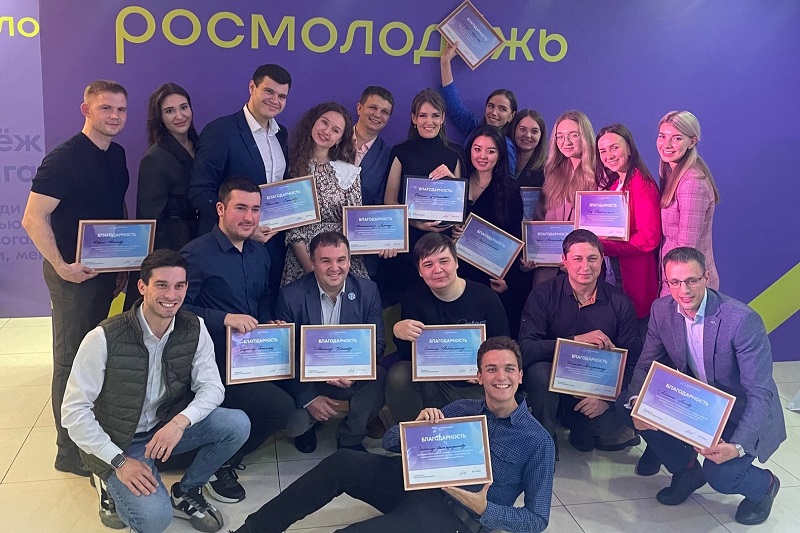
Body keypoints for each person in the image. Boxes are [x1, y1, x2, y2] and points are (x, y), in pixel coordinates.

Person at [232, 336, 555, 533]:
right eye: (491, 369)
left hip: (456, 516)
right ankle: (253, 530)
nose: (500, 377)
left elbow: (536, 520)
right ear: (478, 376)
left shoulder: (537, 441)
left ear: (520, 375)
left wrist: (484, 509)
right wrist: (416, 428)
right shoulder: (462, 409)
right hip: (417, 485)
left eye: (508, 369)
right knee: (343, 461)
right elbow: (388, 443)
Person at [60, 249, 250, 533]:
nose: (171, 295)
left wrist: (179, 423)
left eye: (179, 286)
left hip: (164, 429)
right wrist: (119, 461)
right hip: (120, 441)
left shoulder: (194, 327)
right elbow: (73, 412)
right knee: (154, 520)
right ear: (142, 286)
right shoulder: (103, 337)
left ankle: (187, 491)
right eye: (161, 285)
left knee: (237, 424)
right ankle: (106, 479)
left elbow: (212, 387)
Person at [622, 247, 785, 526]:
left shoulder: (741, 320)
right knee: (628, 406)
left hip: (739, 412)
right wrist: (637, 403)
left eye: (691, 280)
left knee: (722, 476)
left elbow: (760, 393)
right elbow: (647, 363)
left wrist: (737, 447)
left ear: (706, 277)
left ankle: (765, 486)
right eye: (675, 282)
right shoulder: (661, 310)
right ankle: (686, 471)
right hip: (697, 404)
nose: (683, 290)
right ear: (666, 282)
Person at [22, 80, 130, 477]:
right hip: (71, 278)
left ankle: (89, 434)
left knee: (94, 357)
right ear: (86, 110)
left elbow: (115, 208)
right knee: (70, 361)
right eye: (106, 108)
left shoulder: (116, 154)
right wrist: (61, 265)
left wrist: (121, 264)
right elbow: (33, 218)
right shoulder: (63, 158)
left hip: (103, 274)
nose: (115, 116)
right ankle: (67, 453)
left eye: (121, 109)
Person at [181, 178, 298, 503]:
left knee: (303, 381)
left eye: (255, 210)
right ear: (220, 209)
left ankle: (227, 448)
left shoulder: (260, 253)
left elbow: (264, 298)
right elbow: (178, 310)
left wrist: (268, 323)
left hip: (254, 354)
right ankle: (219, 462)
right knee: (280, 407)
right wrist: (224, 319)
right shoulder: (195, 254)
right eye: (241, 208)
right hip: (212, 360)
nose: (249, 217)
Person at [518, 229, 642, 453]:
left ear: (602, 260)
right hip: (553, 381)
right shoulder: (542, 294)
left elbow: (633, 362)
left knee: (602, 431)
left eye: (592, 258)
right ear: (564, 261)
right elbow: (525, 349)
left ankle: (579, 425)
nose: (585, 267)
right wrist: (575, 341)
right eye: (577, 259)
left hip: (595, 388)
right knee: (538, 373)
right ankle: (545, 441)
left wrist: (607, 400)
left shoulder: (621, 303)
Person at [274, 231, 386, 453]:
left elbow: (378, 343)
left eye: (341, 260)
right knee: (295, 425)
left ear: (349, 261)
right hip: (309, 380)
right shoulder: (290, 296)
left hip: (351, 376)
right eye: (325, 261)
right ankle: (309, 424)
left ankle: (351, 436)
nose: (334, 268)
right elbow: (284, 356)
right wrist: (309, 398)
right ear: (312, 262)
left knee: (380, 376)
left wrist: (354, 372)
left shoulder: (368, 290)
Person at [188, 64, 292, 296]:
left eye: (282, 96)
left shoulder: (281, 134)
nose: (275, 100)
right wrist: (242, 229)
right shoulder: (220, 131)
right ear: (252, 87)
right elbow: (200, 191)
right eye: (269, 91)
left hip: (271, 246)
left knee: (265, 309)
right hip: (229, 248)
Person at [387, 233, 509, 423]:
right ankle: (412, 436)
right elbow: (409, 355)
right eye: (428, 264)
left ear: (456, 263)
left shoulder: (485, 297)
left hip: (475, 383)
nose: (437, 270)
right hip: (434, 382)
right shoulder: (413, 297)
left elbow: (505, 347)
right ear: (419, 271)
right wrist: (398, 332)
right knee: (399, 374)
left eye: (444, 261)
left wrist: (485, 370)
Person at [123, 82, 200, 311]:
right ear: (160, 118)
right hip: (173, 244)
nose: (179, 116)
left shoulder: (200, 146)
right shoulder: (155, 158)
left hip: (200, 236)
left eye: (184, 107)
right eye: (169, 111)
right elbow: (151, 219)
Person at [382, 89, 464, 297]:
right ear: (414, 118)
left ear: (443, 118)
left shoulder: (455, 153)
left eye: (435, 115)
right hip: (409, 241)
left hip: (444, 242)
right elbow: (390, 201)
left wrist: (452, 181)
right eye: (423, 115)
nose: (429, 122)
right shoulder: (400, 151)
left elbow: (460, 207)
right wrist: (415, 223)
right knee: (408, 298)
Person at [281, 102, 369, 285]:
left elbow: (356, 226)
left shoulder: (349, 173)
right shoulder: (290, 167)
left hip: (339, 261)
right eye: (324, 122)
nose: (327, 131)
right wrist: (311, 269)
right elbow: (293, 228)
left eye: (335, 130)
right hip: (302, 258)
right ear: (313, 122)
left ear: (339, 139)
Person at [452, 125, 525, 338]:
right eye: (477, 149)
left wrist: (508, 280)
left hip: (492, 280)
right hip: (457, 274)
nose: (482, 156)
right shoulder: (457, 184)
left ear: (499, 155)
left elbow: (515, 237)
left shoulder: (510, 190)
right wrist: (452, 232)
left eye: (490, 151)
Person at [594, 123, 662, 326]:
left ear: (630, 148)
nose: (609, 155)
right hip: (613, 271)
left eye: (614, 147)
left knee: (634, 332)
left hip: (634, 275)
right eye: (603, 151)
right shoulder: (615, 184)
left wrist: (604, 246)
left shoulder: (642, 184)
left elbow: (649, 239)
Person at [526, 110, 596, 285]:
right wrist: (532, 252)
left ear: (585, 136)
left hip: (582, 270)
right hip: (547, 271)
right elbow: (540, 219)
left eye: (574, 135)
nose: (566, 142)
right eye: (560, 136)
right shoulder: (552, 173)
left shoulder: (599, 175)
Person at [657, 111, 720, 296]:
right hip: (676, 280)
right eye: (662, 136)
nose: (666, 144)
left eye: (677, 138)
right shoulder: (673, 173)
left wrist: (671, 288)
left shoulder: (692, 183)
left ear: (692, 142)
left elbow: (686, 252)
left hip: (687, 286)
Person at [439, 41, 517, 174]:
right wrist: (445, 63)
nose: (494, 112)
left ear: (511, 116)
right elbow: (454, 107)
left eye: (502, 109)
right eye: (491, 106)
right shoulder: (474, 129)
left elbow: (508, 181)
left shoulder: (506, 145)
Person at [353, 86, 394, 207]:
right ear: (359, 108)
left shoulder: (388, 157)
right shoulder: (334, 141)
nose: (377, 114)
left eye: (384, 112)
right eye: (373, 107)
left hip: (363, 219)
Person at [509, 109, 548, 186]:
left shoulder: (547, 169)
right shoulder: (500, 160)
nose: (527, 135)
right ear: (514, 130)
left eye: (534, 131)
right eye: (522, 129)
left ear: (541, 135)